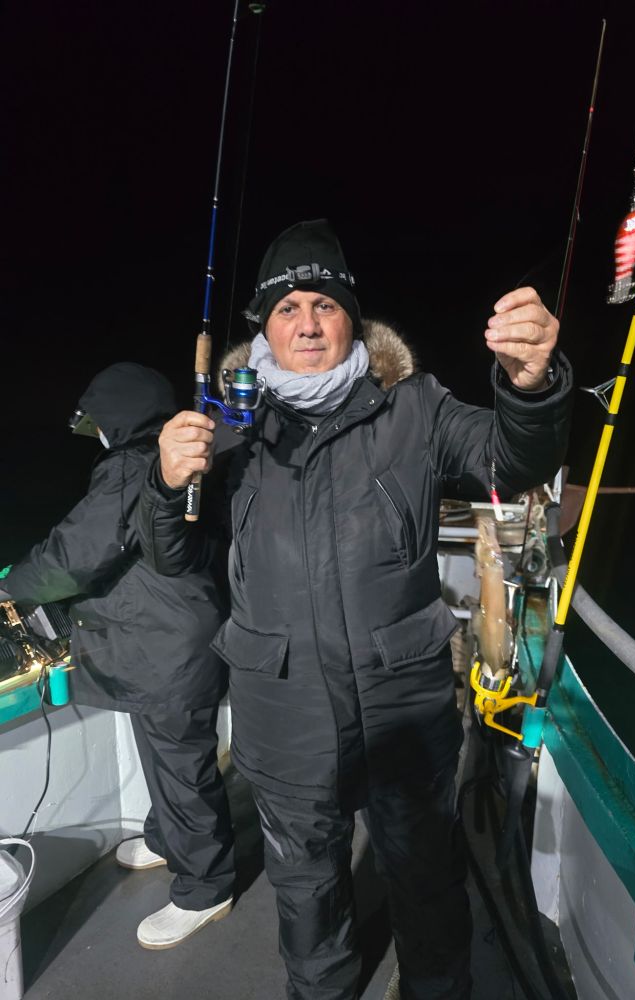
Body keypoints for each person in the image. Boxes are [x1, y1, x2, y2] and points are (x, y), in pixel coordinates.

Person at [137, 219, 573, 999]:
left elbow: (517, 462)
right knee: (304, 894)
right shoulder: (228, 434)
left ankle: (438, 987)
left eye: (324, 304)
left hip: (402, 708)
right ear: (263, 328)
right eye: (287, 308)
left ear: (352, 316)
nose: (306, 322)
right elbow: (174, 557)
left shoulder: (419, 410)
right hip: (283, 714)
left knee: (426, 878)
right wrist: (167, 486)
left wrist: (530, 386)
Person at [1, 363, 235, 950]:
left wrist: (11, 586)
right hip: (164, 641)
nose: (96, 433)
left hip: (164, 646)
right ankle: (165, 837)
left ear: (119, 415)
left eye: (99, 421)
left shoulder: (133, 466)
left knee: (183, 769)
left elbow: (77, 552)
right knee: (168, 760)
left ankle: (205, 888)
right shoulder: (164, 462)